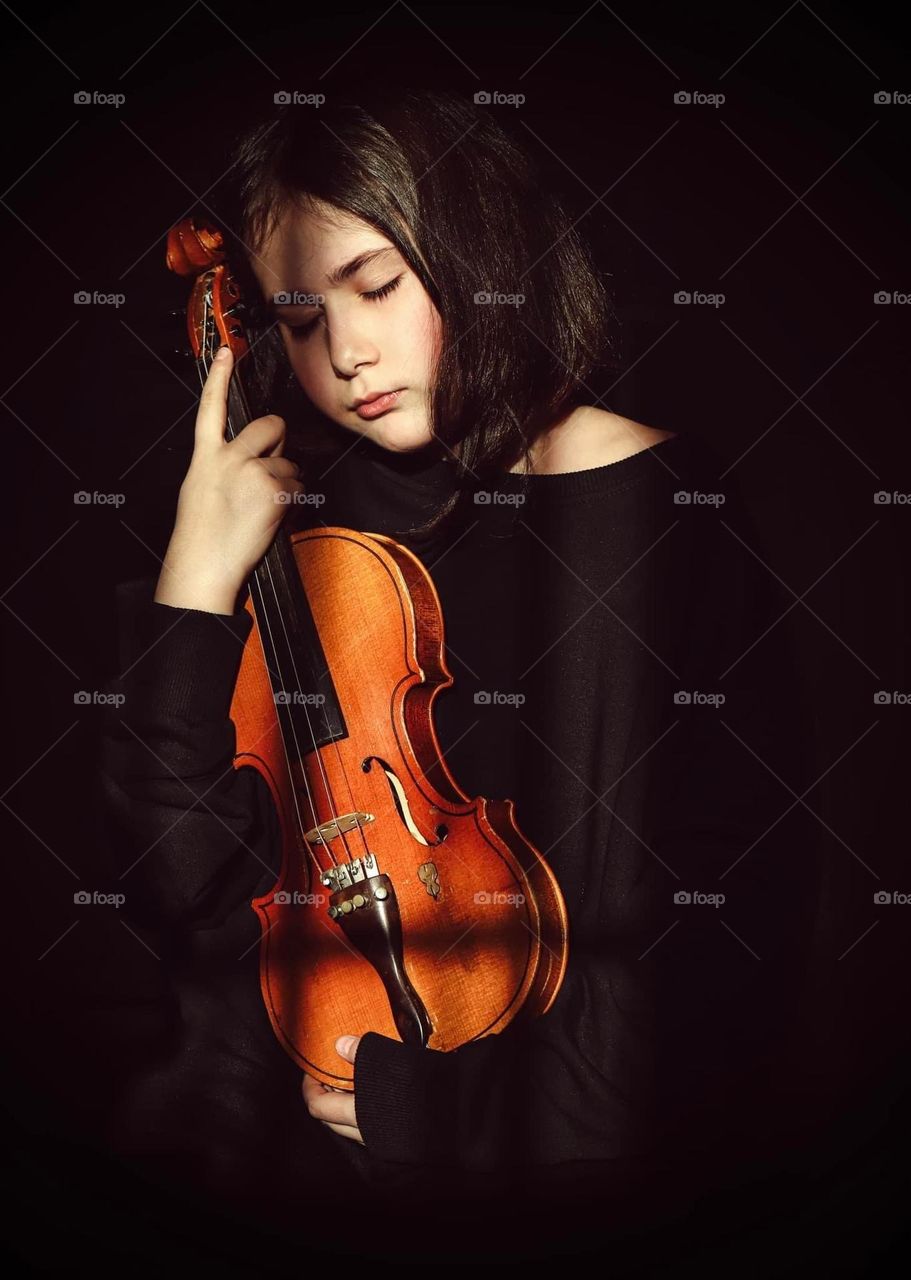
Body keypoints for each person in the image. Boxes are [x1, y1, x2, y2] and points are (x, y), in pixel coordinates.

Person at [99, 90, 816, 1258]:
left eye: (376, 286)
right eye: (294, 320)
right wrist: (193, 583)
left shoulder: (653, 509)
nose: (345, 353)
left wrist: (435, 1108)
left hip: (557, 1180)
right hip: (267, 1163)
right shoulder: (280, 527)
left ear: (478, 248)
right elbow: (181, 887)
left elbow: (717, 927)